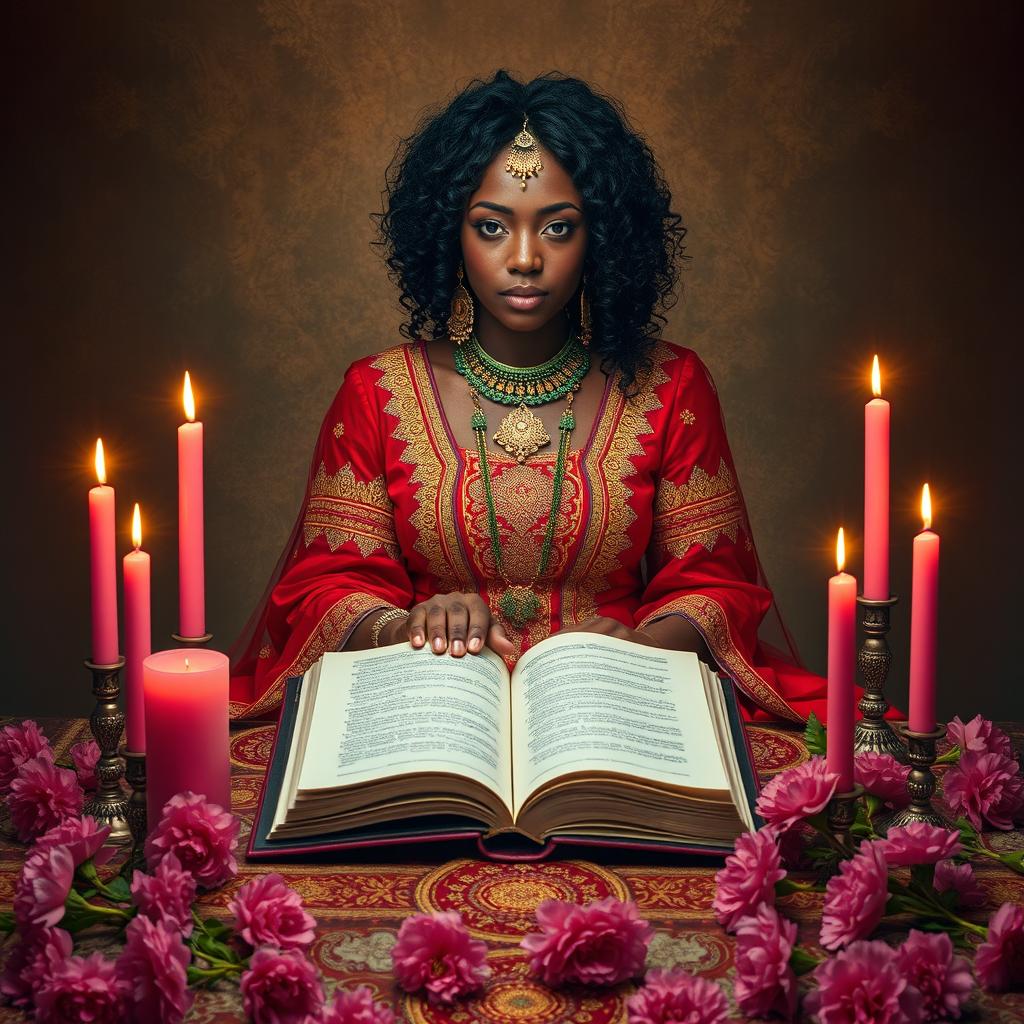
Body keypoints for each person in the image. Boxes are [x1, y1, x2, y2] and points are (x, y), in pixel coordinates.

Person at [228, 70, 832, 725]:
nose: (523, 258)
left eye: (557, 228)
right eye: (491, 228)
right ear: (449, 237)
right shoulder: (378, 393)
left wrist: (647, 647)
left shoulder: (669, 386)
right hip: (435, 710)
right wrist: (407, 626)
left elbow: (715, 584)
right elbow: (323, 585)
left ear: (601, 238)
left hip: (614, 708)